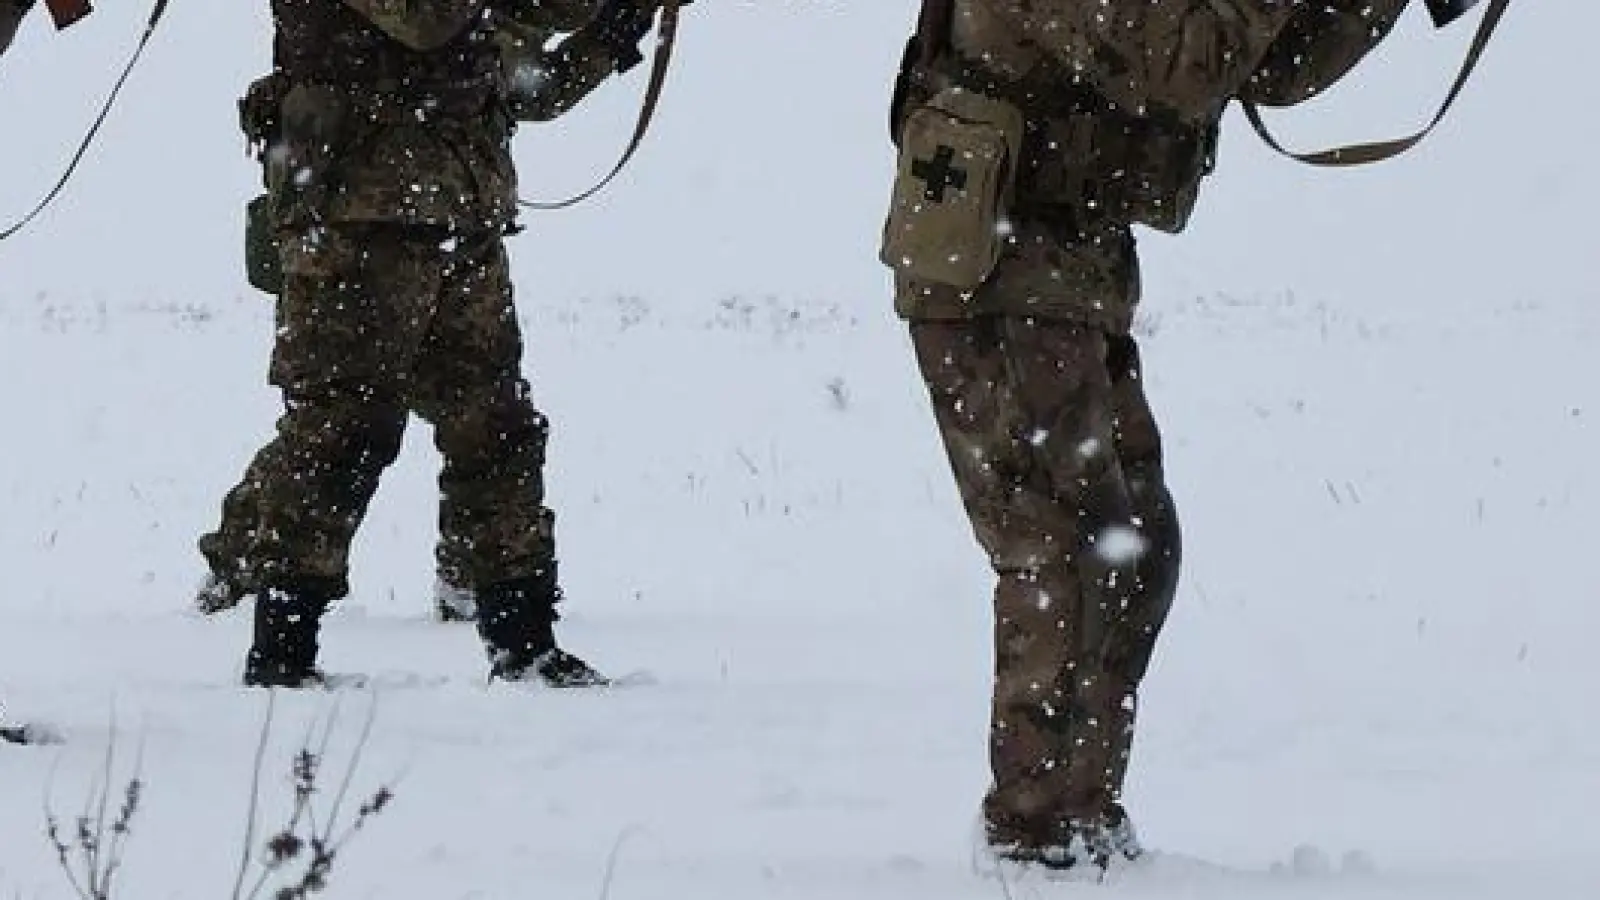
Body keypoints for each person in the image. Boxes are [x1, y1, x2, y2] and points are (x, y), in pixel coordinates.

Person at [882, 0, 1416, 871]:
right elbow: (1184, 64)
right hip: (997, 265)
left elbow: (1269, 70)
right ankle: (1036, 837)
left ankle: (1082, 816)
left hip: (1065, 268)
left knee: (1133, 547)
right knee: (1064, 553)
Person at [222, 0, 670, 688]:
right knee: (342, 430)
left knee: (496, 426)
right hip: (356, 212)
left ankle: (522, 639)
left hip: (460, 207)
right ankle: (283, 650)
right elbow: (423, 19)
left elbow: (534, 40)